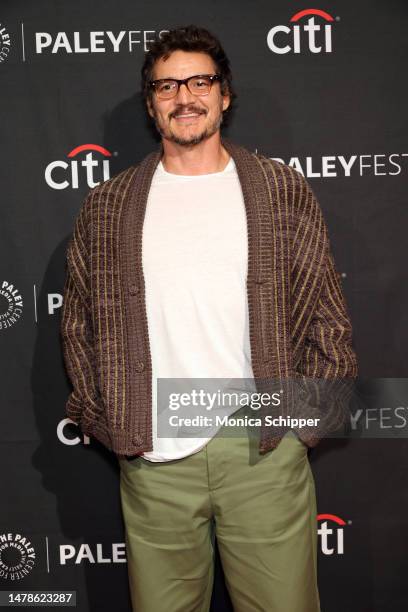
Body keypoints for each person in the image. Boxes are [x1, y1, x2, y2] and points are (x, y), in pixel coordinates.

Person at [60, 24, 358, 612]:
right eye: (167, 86)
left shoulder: (279, 190)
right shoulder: (108, 205)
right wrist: (105, 416)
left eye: (200, 81)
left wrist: (306, 424)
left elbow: (326, 315)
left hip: (262, 449)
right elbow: (78, 325)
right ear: (151, 103)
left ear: (225, 94)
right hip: (153, 460)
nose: (184, 96)